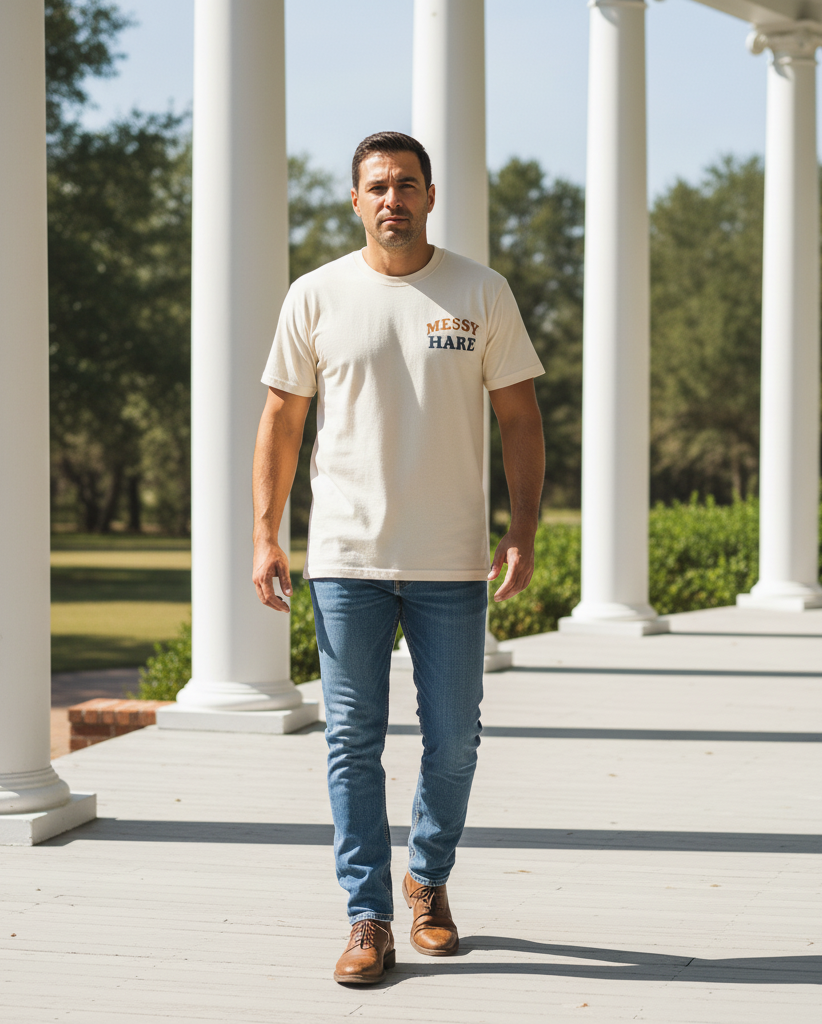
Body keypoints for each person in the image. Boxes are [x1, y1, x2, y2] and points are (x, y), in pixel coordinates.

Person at [251, 131, 545, 985]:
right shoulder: (316, 296)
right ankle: (367, 916)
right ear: (355, 201)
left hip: (452, 562)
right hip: (345, 557)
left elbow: (520, 421)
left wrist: (522, 528)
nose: (393, 199)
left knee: (454, 742)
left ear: (428, 196)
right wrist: (265, 533)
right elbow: (280, 421)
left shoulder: (480, 292)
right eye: (377, 186)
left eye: (407, 184)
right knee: (351, 739)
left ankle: (429, 879)